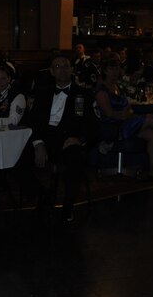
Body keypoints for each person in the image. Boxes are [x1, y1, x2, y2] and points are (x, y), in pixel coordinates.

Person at [23, 55, 97, 223]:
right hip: (45, 139)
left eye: (66, 66)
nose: (62, 69)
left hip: (67, 141)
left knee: (75, 157)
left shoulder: (84, 94)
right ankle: (42, 193)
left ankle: (68, 207)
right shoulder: (42, 92)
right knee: (16, 155)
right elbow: (31, 121)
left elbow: (93, 125)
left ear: (72, 70)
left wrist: (80, 139)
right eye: (57, 66)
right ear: (51, 71)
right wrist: (38, 143)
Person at [94, 57, 153, 182]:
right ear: (105, 71)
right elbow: (109, 114)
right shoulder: (101, 91)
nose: (114, 72)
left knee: (152, 134)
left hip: (125, 122)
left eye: (117, 68)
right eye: (111, 69)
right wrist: (126, 115)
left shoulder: (118, 86)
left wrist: (128, 113)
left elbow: (128, 106)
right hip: (113, 128)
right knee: (150, 117)